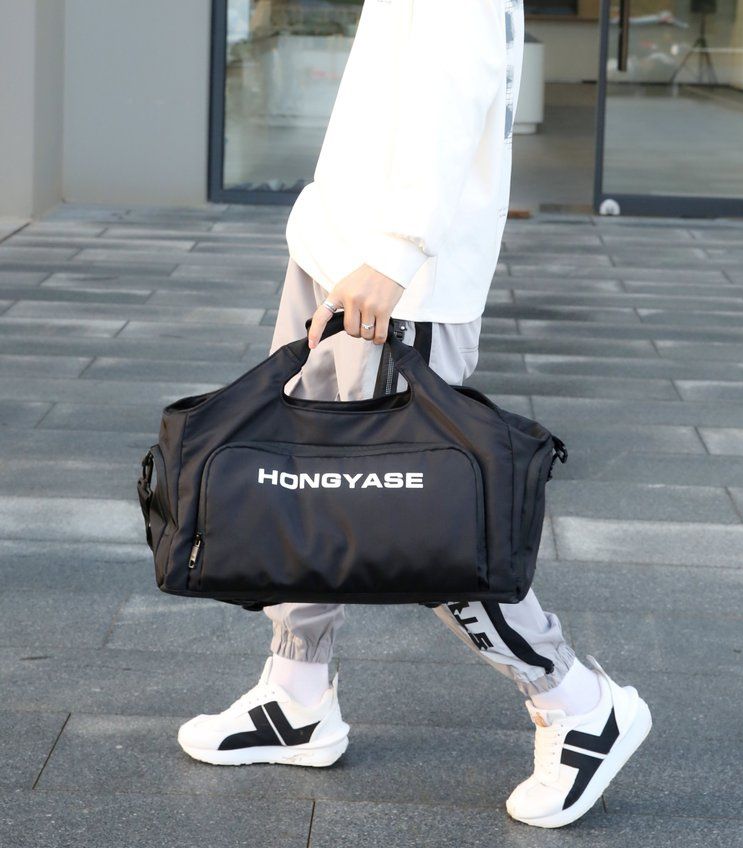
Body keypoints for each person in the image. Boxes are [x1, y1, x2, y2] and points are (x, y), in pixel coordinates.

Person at [178, 0, 651, 829]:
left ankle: (578, 705)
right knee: (300, 482)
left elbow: (455, 90)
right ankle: (297, 692)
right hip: (337, 251)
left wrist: (395, 255)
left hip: (393, 285)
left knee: (428, 520)